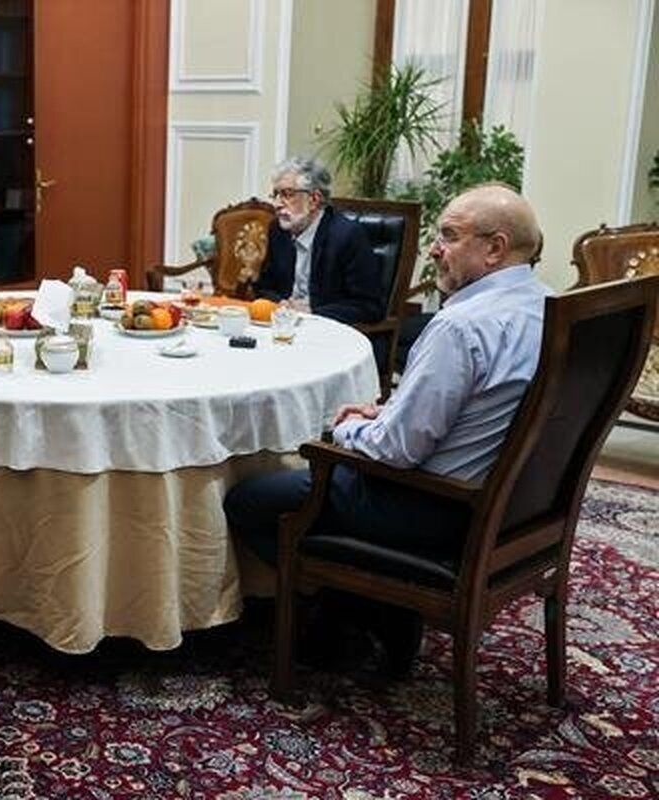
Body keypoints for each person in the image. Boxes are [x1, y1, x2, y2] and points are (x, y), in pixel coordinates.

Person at [225, 184, 550, 673]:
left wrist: (345, 429)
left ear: (495, 248)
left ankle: (352, 613)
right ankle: (376, 607)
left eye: (449, 235)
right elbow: (478, 404)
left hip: (432, 506)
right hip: (516, 506)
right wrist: (388, 412)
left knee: (248, 500)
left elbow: (396, 452)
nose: (435, 249)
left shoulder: (460, 327)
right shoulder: (547, 305)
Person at [247, 156, 383, 324]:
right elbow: (263, 287)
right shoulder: (278, 230)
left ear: (313, 200)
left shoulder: (347, 236)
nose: (277, 204)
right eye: (275, 195)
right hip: (284, 324)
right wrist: (280, 302)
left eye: (287, 195)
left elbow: (369, 307)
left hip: (328, 328)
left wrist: (314, 312)